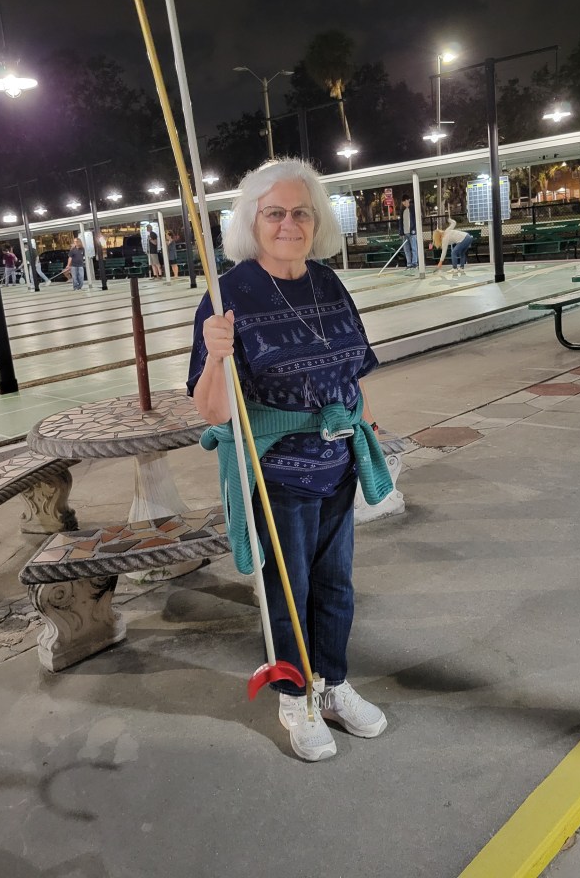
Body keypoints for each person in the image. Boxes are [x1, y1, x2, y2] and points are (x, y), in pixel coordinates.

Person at [187, 158, 391, 763]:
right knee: (287, 592)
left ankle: (332, 683)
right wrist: (215, 355)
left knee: (336, 587)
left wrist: (361, 429)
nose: (288, 224)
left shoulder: (328, 283)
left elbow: (353, 373)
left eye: (301, 212)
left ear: (316, 221)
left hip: (337, 465)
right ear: (252, 222)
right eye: (274, 213)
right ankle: (294, 697)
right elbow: (213, 411)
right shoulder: (227, 294)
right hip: (278, 474)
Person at [398, 195, 418, 270]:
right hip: (405, 233)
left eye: (405, 202)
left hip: (412, 232)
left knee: (414, 248)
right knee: (406, 249)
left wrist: (414, 229)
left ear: (408, 200)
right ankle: (409, 263)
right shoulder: (402, 210)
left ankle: (414, 263)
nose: (404, 204)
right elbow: (401, 222)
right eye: (403, 203)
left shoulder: (413, 208)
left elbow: (416, 220)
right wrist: (401, 232)